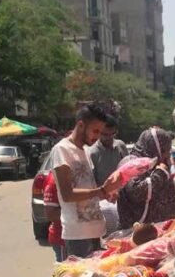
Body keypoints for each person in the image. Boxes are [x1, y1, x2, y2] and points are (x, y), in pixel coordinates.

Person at [47, 103, 122, 258]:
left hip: (96, 231)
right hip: (77, 235)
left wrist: (107, 193)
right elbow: (67, 194)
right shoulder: (62, 150)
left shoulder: (86, 151)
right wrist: (101, 190)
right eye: (95, 131)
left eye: (100, 132)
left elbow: (89, 190)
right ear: (81, 125)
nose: (97, 136)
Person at [117, 127, 175, 228]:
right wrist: (160, 173)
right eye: (166, 150)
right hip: (136, 233)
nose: (168, 154)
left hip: (157, 231)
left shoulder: (155, 163)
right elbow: (137, 192)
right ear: (157, 148)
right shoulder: (132, 163)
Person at [87, 116, 128, 186]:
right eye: (105, 134)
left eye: (112, 134)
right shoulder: (92, 152)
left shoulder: (121, 146)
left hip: (123, 193)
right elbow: (91, 181)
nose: (109, 138)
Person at [42, 171, 65, 262]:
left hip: (86, 236)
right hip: (63, 239)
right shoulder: (54, 178)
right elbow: (51, 213)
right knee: (67, 274)